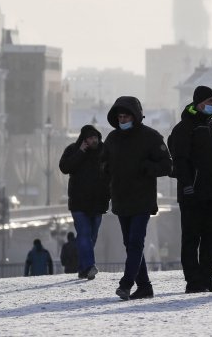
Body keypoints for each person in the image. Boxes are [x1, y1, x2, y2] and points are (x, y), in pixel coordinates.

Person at [168, 85, 212, 293]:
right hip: (193, 194)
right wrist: (188, 185)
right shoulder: (184, 129)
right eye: (210, 102)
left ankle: (207, 277)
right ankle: (193, 281)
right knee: (191, 238)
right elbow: (179, 161)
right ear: (199, 103)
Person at [102, 96, 172, 300]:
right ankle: (145, 286)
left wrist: (148, 168)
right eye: (120, 117)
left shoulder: (150, 137)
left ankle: (126, 284)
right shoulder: (112, 139)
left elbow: (167, 165)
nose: (123, 120)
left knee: (135, 243)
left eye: (126, 116)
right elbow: (103, 165)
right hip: (121, 200)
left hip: (142, 200)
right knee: (130, 244)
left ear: (135, 116)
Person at [59, 124, 110, 280]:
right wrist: (80, 152)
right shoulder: (73, 150)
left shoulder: (104, 152)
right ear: (83, 140)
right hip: (79, 203)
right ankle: (89, 266)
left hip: (98, 202)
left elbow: (112, 172)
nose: (93, 141)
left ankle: (83, 268)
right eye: (89, 138)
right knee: (84, 234)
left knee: (92, 236)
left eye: (95, 137)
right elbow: (65, 167)